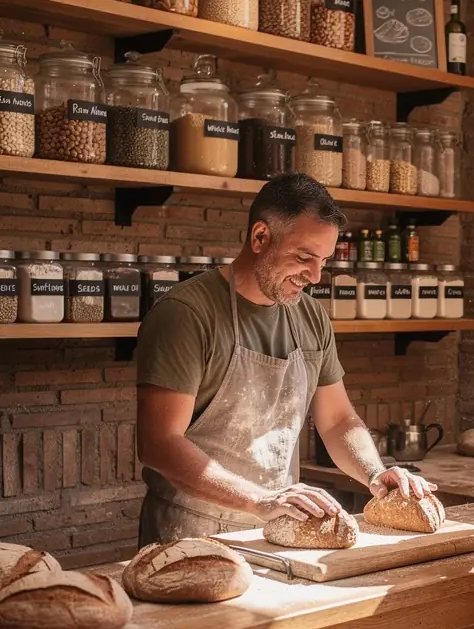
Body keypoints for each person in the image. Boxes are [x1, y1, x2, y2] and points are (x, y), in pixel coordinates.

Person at [135, 172, 434, 544]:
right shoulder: (186, 314)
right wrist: (258, 499)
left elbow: (338, 420)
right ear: (260, 237)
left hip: (279, 526)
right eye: (304, 257)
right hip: (190, 533)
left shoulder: (310, 316)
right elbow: (158, 442)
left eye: (323, 261)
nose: (315, 275)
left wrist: (374, 474)